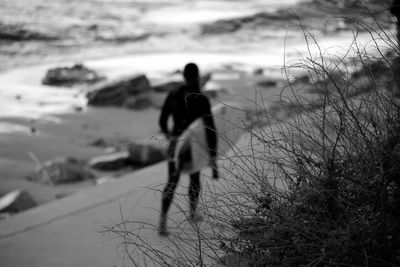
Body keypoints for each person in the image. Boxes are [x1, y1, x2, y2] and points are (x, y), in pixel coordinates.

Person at [158, 63, 218, 236]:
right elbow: (209, 130)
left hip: (176, 142)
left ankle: (162, 222)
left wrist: (170, 137)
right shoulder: (201, 98)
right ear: (197, 76)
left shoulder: (173, 94)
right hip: (193, 145)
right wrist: (213, 159)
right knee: (194, 177)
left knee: (172, 182)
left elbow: (162, 121)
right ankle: (192, 214)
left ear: (183, 76)